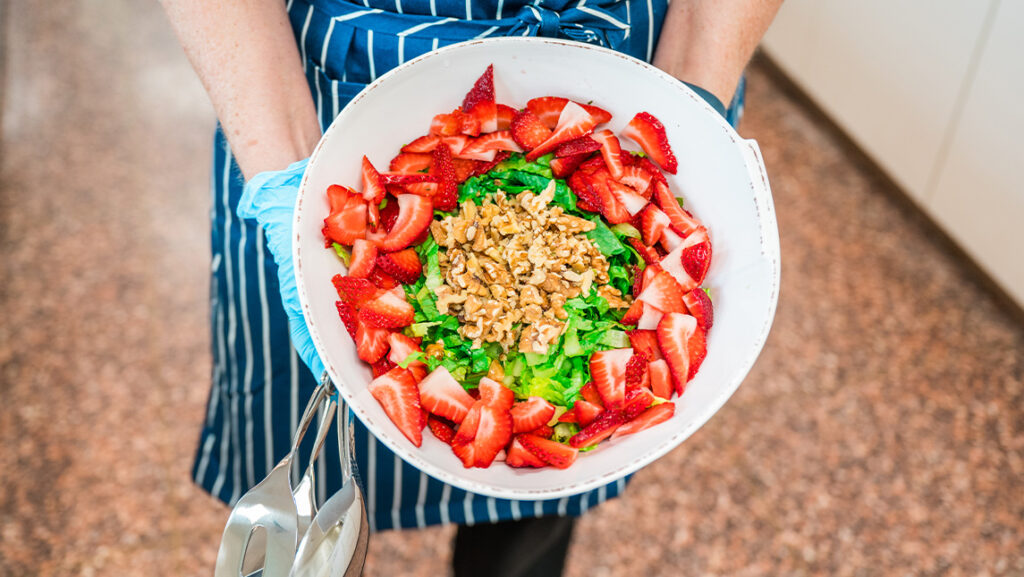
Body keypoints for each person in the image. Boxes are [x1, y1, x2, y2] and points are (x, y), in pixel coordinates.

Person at [160, 0, 781, 574]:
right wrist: (284, 185)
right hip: (303, 98)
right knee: (296, 443)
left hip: (643, 56)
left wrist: (690, 95)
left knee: (535, 513)